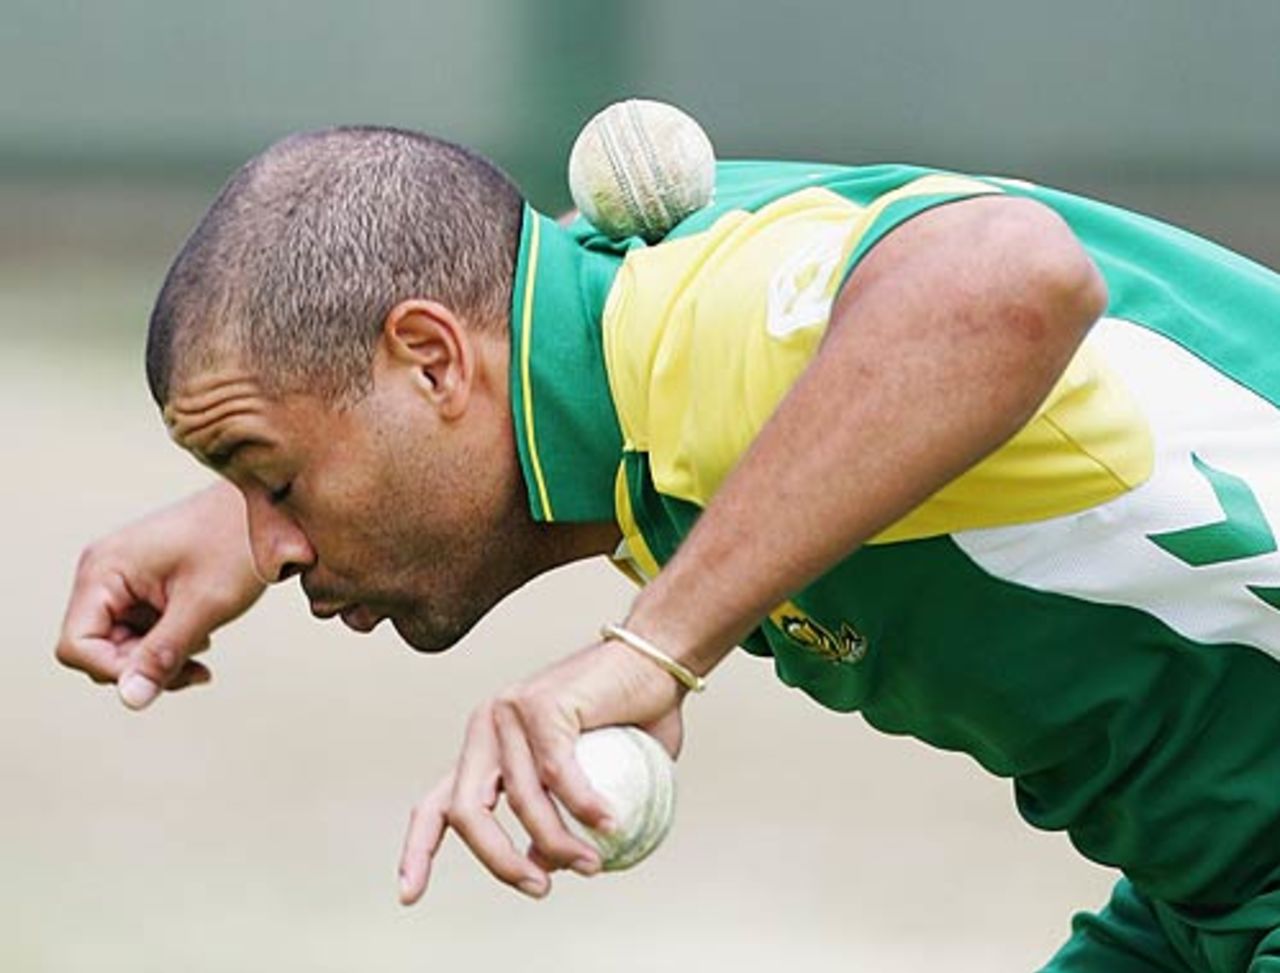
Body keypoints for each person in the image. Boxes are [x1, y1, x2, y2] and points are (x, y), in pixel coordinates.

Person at [54, 124, 1280, 972]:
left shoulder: (680, 334)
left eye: (276, 477)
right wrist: (240, 508)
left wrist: (655, 647)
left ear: (431, 360)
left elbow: (1006, 276)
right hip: (1207, 891)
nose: (277, 544)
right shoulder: (603, 336)